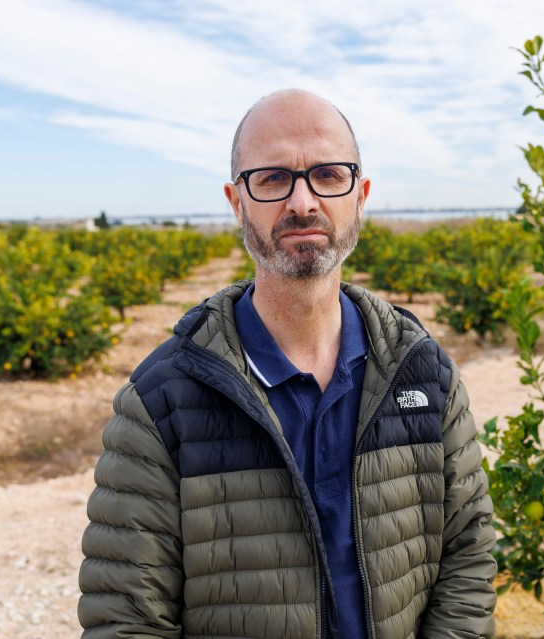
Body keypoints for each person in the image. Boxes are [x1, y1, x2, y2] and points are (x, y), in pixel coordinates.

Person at [78, 89, 498, 638]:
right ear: (237, 201)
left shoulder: (423, 373)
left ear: (360, 195)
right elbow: (124, 619)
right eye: (273, 178)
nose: (303, 202)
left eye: (328, 174)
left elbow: (467, 557)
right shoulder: (162, 402)